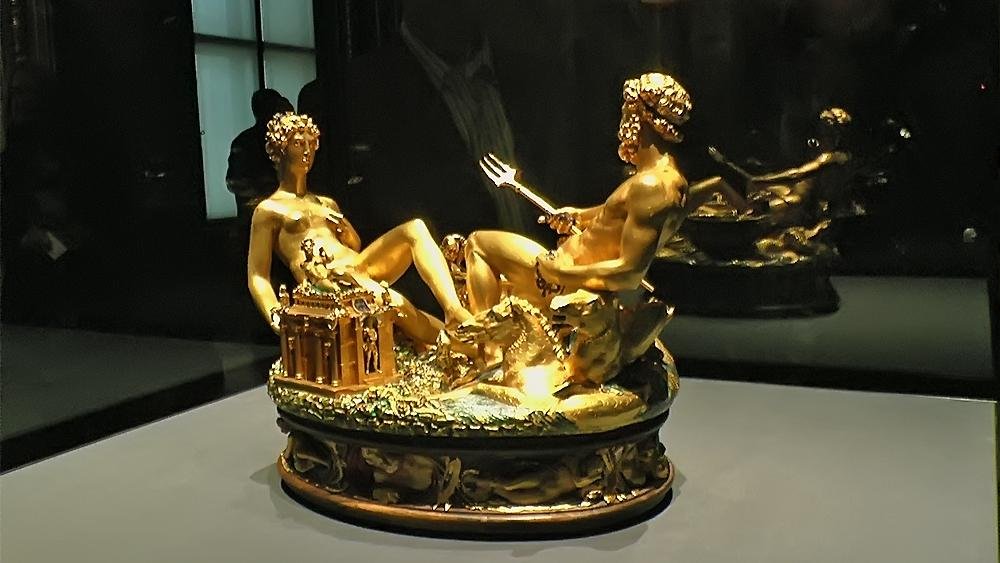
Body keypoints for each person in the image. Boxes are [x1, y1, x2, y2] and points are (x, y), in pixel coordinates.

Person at [464, 73, 748, 314]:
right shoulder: (670, 181)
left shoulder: (651, 186)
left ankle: (485, 348)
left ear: (639, 117)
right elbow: (620, 213)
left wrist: (561, 273)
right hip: (566, 268)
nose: (622, 122)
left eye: (626, 111)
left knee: (477, 244)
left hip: (562, 282)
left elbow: (630, 272)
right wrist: (579, 216)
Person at [247, 113, 472, 346]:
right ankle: (464, 345)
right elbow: (257, 275)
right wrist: (274, 314)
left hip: (358, 264)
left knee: (415, 228)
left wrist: (346, 231)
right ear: (280, 149)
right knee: (397, 304)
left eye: (311, 144)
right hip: (327, 278)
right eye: (298, 144)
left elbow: (354, 246)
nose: (307, 151)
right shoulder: (269, 210)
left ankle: (453, 310)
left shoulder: (325, 203)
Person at [226, 88, 294, 220]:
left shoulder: (287, 140)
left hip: (285, 210)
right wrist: (269, 189)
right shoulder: (245, 142)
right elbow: (235, 181)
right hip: (255, 212)